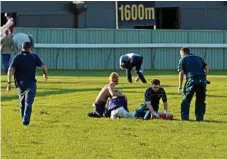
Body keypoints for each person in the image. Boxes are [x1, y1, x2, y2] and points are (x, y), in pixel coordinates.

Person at [6, 42, 48, 126]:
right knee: (28, 102)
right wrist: (45, 74)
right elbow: (44, 67)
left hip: (20, 84)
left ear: (22, 48)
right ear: (30, 48)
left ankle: (24, 119)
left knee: (22, 103)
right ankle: (26, 120)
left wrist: (9, 83)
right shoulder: (34, 56)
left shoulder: (17, 57)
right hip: (31, 83)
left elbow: (10, 69)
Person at [178, 47, 208, 121]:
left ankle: (185, 118)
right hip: (202, 81)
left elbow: (181, 73)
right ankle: (199, 118)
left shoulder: (183, 59)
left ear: (182, 52)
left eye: (180, 54)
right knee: (200, 100)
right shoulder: (199, 57)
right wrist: (204, 77)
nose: (180, 55)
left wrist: (180, 86)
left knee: (186, 99)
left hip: (192, 80)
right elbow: (206, 68)